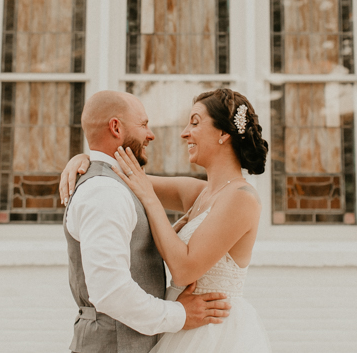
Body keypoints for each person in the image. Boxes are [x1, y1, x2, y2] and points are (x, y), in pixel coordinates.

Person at [61, 88, 272, 353]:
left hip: (212, 331)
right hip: (178, 324)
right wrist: (85, 159)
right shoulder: (197, 192)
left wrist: (150, 199)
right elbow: (120, 174)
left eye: (194, 123)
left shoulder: (242, 198)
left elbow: (185, 269)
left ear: (223, 133)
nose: (184, 132)